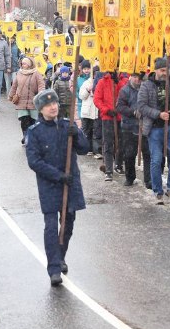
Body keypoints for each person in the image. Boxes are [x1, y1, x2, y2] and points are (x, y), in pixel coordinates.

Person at [26, 89, 90, 287]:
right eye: (48, 105)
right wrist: (57, 176)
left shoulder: (66, 126)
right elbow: (34, 162)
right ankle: (53, 269)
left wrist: (77, 134)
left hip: (70, 183)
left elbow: (84, 148)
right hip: (50, 185)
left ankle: (60, 256)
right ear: (41, 110)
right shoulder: (34, 132)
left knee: (68, 223)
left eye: (54, 103)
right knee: (51, 226)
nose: (53, 107)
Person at [137, 54, 170, 203]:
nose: (164, 73)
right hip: (154, 128)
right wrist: (158, 114)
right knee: (156, 159)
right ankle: (157, 191)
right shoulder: (146, 85)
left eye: (166, 70)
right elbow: (141, 106)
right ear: (156, 71)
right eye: (161, 70)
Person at [116, 72, 150, 187]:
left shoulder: (147, 89)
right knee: (129, 154)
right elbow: (120, 106)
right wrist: (133, 112)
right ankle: (130, 177)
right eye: (135, 77)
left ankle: (148, 179)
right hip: (129, 126)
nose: (137, 80)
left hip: (145, 126)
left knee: (147, 153)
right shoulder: (125, 90)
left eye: (139, 78)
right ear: (131, 77)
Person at [93, 70, 127, 181]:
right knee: (108, 143)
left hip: (120, 116)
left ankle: (118, 164)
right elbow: (97, 99)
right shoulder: (102, 82)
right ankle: (108, 169)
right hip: (108, 117)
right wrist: (106, 110)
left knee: (121, 142)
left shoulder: (123, 81)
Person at [8, 56, 45, 144]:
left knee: (33, 120)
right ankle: (26, 135)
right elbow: (14, 85)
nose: (22, 65)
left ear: (29, 64)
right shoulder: (19, 73)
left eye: (24, 63)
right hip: (21, 101)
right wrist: (10, 96)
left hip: (33, 101)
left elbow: (41, 85)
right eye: (22, 63)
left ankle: (33, 137)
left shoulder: (36, 73)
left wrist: (40, 95)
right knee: (24, 120)